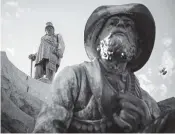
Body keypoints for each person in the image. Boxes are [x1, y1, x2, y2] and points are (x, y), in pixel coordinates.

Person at [33, 4, 175, 133]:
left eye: (128, 25)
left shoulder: (146, 102)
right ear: (98, 41)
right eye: (112, 23)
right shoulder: (74, 77)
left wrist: (147, 124)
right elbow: (46, 128)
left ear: (137, 46)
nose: (120, 25)